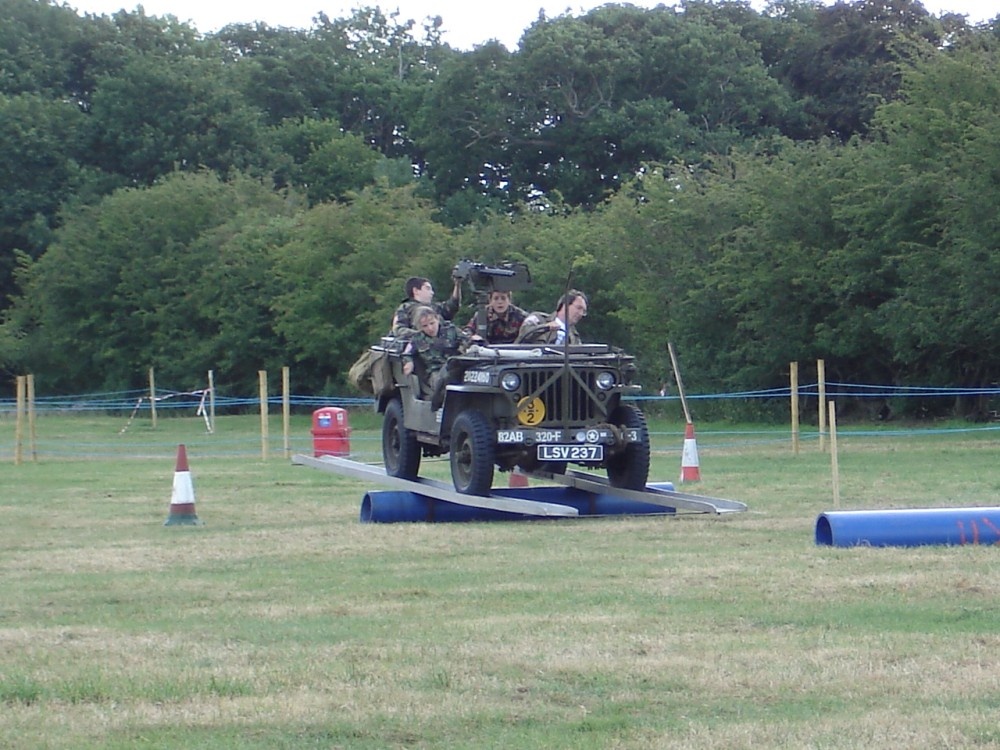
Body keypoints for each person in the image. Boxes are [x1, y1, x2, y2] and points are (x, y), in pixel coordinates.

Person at [402, 306, 477, 408]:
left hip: (456, 366)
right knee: (444, 383)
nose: (430, 328)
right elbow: (407, 353)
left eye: (432, 323)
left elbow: (467, 340)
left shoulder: (451, 330)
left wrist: (468, 344)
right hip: (435, 372)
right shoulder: (417, 339)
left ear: (437, 319)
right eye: (425, 326)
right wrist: (409, 362)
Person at [391, 275, 461, 335]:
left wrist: (457, 284)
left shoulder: (434, 307)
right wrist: (421, 335)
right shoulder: (405, 308)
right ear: (416, 291)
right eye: (428, 288)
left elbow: (452, 306)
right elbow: (398, 329)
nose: (432, 293)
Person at [514, 289, 588, 346]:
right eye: (579, 308)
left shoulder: (575, 337)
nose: (581, 313)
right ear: (565, 305)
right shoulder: (538, 318)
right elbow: (524, 334)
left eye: (584, 311)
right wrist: (545, 327)